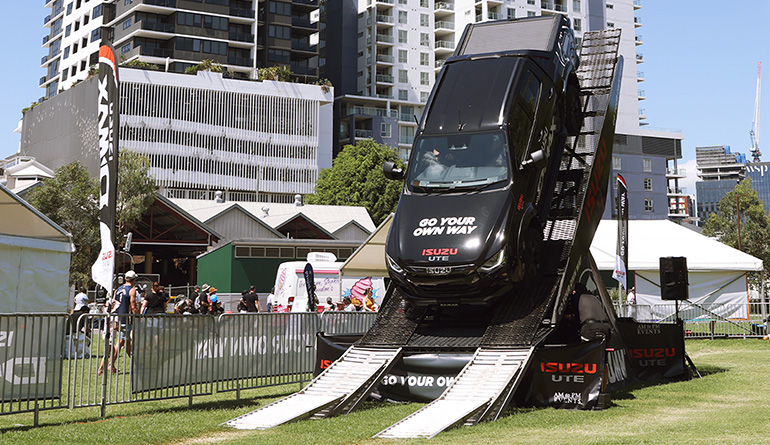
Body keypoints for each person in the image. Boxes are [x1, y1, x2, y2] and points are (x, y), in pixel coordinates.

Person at [99, 270, 138, 375]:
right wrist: (138, 316)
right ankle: (107, 365)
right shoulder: (132, 290)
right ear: (134, 279)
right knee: (121, 342)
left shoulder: (118, 289)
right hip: (126, 318)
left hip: (117, 318)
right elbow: (133, 305)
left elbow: (113, 303)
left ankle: (137, 364)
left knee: (127, 341)